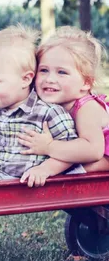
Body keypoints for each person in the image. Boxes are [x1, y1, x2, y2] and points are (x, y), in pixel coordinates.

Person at [0, 25, 78, 187]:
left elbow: (70, 152)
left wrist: (45, 169)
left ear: (25, 79)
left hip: (15, 178)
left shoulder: (48, 112)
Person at [18, 25, 109, 173]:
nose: (50, 79)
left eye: (62, 72)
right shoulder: (48, 105)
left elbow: (93, 150)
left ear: (86, 82)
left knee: (74, 169)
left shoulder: (87, 109)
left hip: (103, 156)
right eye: (44, 70)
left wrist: (49, 147)